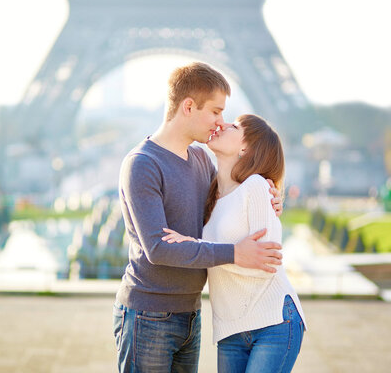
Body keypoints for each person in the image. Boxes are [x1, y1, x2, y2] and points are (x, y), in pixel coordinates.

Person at [114, 62, 284, 373]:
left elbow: (234, 200)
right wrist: (235, 253)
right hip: (147, 316)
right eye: (216, 111)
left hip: (190, 314)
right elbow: (159, 249)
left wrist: (270, 193)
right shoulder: (142, 164)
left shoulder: (202, 161)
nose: (221, 122)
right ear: (189, 106)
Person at [162, 114, 307, 373]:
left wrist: (197, 247)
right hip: (230, 331)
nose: (223, 124)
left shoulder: (256, 187)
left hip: (274, 322)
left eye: (235, 126)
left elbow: (265, 262)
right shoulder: (210, 194)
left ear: (245, 148)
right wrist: (203, 249)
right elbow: (215, 256)